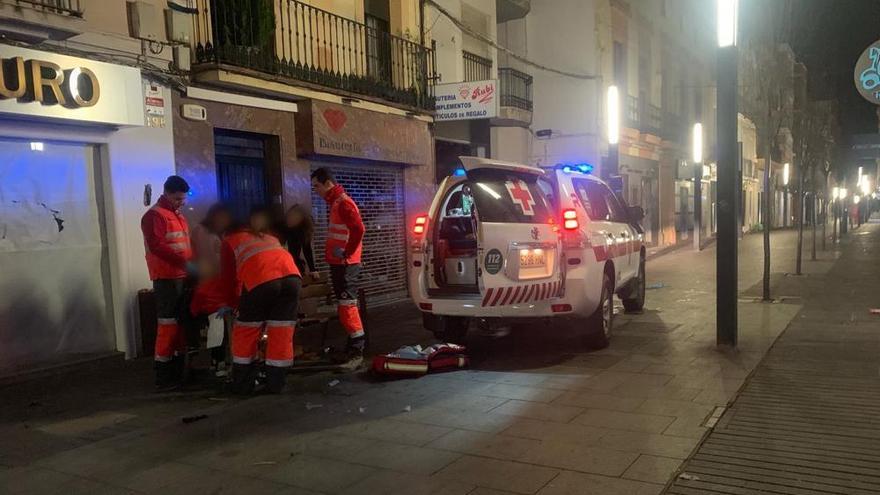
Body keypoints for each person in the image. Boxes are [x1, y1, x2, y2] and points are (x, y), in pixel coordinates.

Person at [219, 206, 301, 394]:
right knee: (281, 332)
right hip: (292, 280)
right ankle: (276, 383)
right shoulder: (268, 236)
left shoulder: (229, 241)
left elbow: (229, 278)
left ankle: (243, 384)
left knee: (246, 331)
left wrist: (231, 303)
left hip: (262, 282)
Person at [141, 175, 194, 390]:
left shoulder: (176, 215)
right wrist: (185, 263)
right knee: (168, 324)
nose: (181, 202)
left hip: (180, 276)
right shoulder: (154, 216)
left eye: (183, 199)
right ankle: (164, 373)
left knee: (179, 323)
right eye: (178, 199)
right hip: (166, 277)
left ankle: (178, 369)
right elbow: (158, 246)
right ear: (167, 193)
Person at [311, 168, 366, 362]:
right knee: (346, 305)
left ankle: (357, 346)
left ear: (328, 184)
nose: (315, 190)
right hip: (342, 263)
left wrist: (347, 253)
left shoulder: (342, 203)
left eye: (316, 186)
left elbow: (359, 229)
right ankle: (354, 343)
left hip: (346, 264)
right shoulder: (337, 203)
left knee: (347, 305)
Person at [189, 203, 233, 376]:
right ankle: (219, 361)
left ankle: (219, 360)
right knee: (218, 320)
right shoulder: (209, 236)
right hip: (210, 294)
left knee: (219, 320)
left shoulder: (204, 233)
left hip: (210, 292)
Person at [284, 204, 320, 280]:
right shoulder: (282, 227)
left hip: (294, 265)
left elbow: (307, 250)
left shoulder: (301, 231)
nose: (290, 219)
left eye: (294, 217)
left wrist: (313, 269)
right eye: (290, 216)